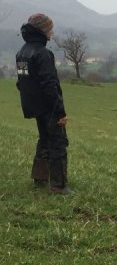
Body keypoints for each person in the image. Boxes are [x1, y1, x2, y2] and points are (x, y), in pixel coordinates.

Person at [16, 13, 72, 195]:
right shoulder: (43, 54)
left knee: (44, 140)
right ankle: (58, 185)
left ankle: (39, 177)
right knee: (58, 143)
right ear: (42, 31)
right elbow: (50, 85)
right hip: (49, 107)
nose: (52, 32)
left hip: (34, 106)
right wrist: (60, 112)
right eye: (50, 29)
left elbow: (21, 82)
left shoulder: (22, 52)